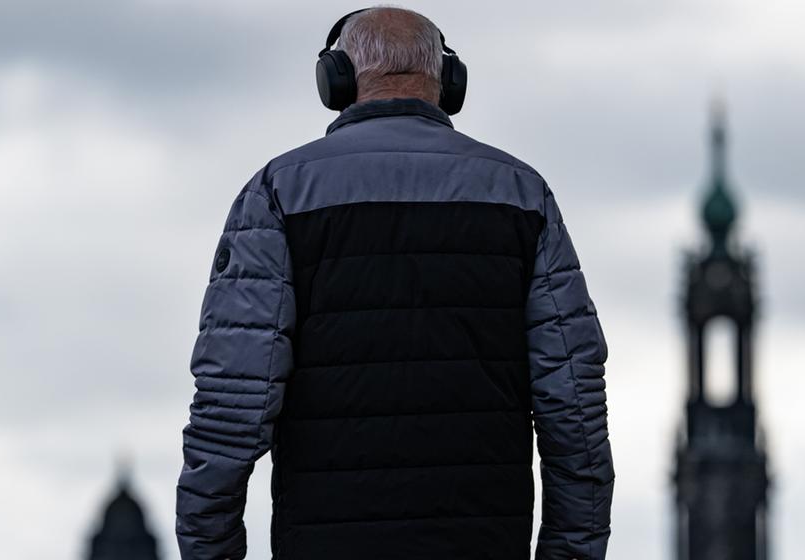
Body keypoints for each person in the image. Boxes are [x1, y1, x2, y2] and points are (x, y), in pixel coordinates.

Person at [176, 6, 613, 560]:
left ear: (334, 79)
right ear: (448, 82)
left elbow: (230, 408)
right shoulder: (523, 196)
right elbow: (574, 412)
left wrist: (208, 551)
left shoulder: (278, 194)